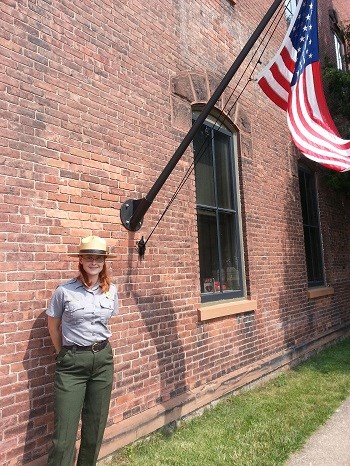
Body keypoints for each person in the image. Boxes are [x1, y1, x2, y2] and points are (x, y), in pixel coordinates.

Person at [46, 235, 118, 466]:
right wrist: (62, 353)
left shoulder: (111, 291)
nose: (93, 262)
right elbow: (53, 325)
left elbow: (106, 323)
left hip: (103, 360)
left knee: (95, 428)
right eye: (89, 257)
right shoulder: (64, 291)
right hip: (72, 363)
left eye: (98, 258)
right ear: (81, 260)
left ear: (104, 261)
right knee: (64, 434)